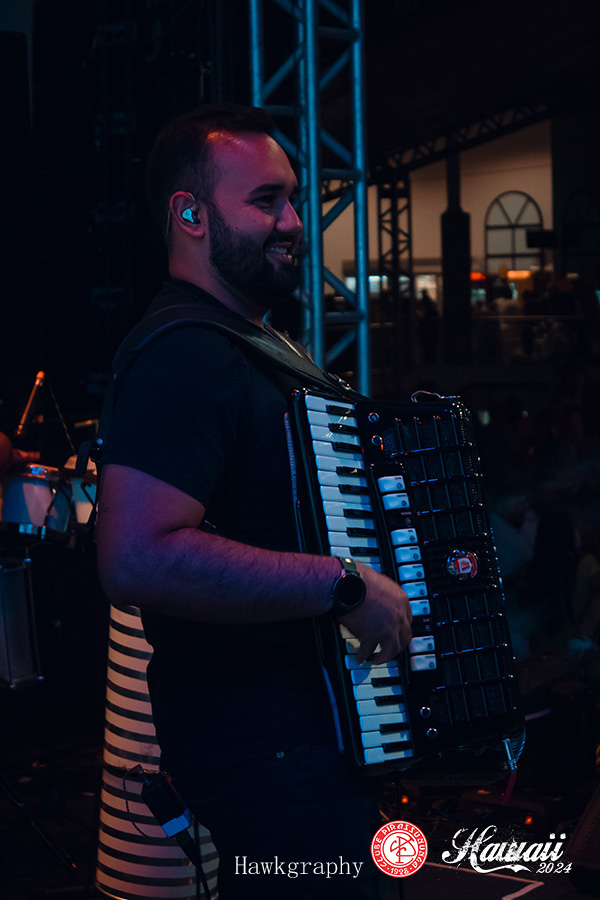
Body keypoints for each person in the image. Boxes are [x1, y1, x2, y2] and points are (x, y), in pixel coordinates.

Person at [95, 105, 412, 899]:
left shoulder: (249, 347)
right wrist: (344, 584)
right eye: (267, 201)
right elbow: (136, 556)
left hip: (300, 742)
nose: (294, 223)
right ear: (191, 215)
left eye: (293, 199)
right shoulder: (186, 356)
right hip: (265, 749)